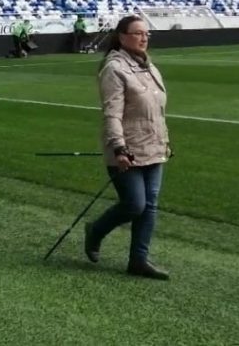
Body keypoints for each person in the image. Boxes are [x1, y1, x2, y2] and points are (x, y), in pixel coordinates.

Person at [84, 15, 171, 280]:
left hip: (154, 147)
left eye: (146, 34)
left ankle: (138, 260)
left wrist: (165, 140)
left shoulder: (149, 66)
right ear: (122, 37)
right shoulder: (115, 68)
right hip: (127, 149)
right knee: (134, 204)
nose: (144, 38)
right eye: (138, 33)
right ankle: (95, 231)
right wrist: (119, 147)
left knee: (150, 206)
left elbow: (156, 112)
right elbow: (112, 113)